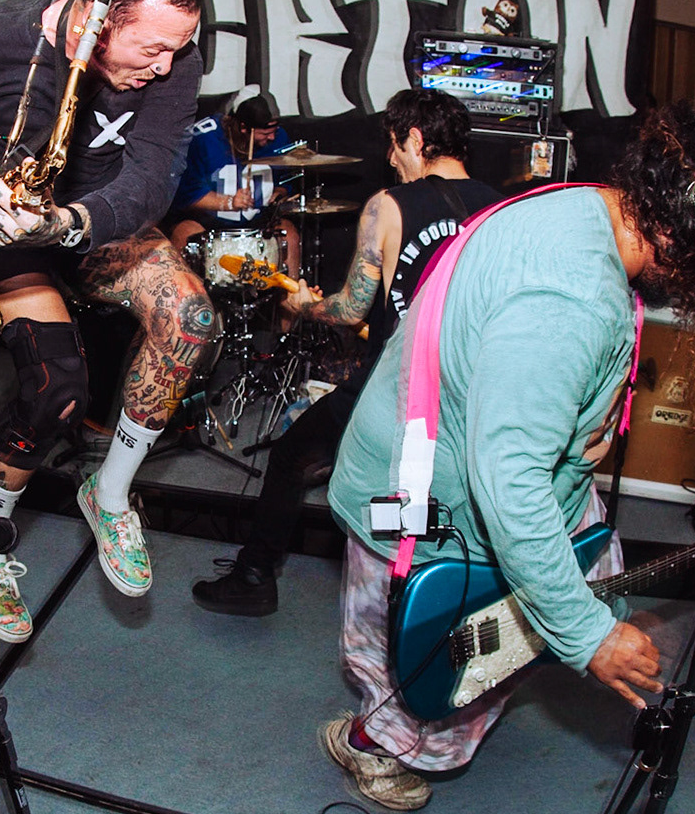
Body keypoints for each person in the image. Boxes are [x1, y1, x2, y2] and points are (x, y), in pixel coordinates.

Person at [318, 103, 695, 810]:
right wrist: (588, 636)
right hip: (423, 500)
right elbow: (509, 482)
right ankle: (371, 743)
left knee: (513, 613)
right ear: (680, 238)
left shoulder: (586, 205)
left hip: (429, 466)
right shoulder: (572, 297)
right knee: (427, 665)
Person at [0, 0, 214, 640]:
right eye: (152, 48)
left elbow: (151, 178)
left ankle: (110, 493)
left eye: (177, 49)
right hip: (2, 228)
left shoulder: (176, 60)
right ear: (96, 14)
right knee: (56, 387)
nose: (167, 66)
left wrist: (68, 223)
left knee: (191, 317)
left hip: (89, 221)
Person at [192, 89, 501, 616]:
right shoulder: (500, 207)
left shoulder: (389, 206)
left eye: (394, 146)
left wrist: (307, 305)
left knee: (291, 456)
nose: (391, 160)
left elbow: (351, 309)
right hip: (467, 385)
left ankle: (254, 577)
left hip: (396, 384)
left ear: (415, 140)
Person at [164, 93, 301, 279]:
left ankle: (291, 295)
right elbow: (184, 195)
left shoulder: (278, 137)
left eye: (274, 131)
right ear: (243, 127)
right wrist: (228, 202)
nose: (272, 137)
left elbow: (286, 181)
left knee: (289, 233)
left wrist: (279, 193)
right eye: (265, 133)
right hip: (208, 222)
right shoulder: (204, 139)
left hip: (259, 222)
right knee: (185, 233)